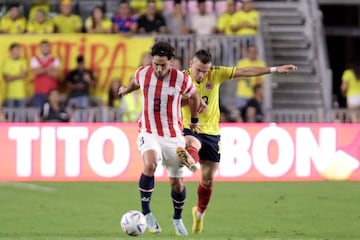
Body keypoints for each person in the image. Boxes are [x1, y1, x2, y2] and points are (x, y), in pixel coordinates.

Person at [181, 49, 297, 234]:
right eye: (198, 70)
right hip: (190, 127)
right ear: (190, 64)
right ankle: (189, 158)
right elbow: (171, 102)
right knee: (192, 143)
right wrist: (191, 100)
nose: (202, 74)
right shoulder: (180, 79)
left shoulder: (216, 73)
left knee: (208, 180)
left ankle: (200, 213)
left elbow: (244, 71)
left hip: (212, 132)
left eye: (205, 71)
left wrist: (274, 69)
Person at [118, 41, 202, 236]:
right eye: (155, 63)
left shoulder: (181, 79)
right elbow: (135, 82)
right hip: (149, 131)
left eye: (163, 65)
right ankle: (146, 213)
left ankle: (177, 218)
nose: (158, 68)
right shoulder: (143, 72)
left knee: (177, 183)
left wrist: (195, 120)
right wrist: (126, 90)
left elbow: (194, 97)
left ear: (171, 62)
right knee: (150, 164)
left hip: (173, 137)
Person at [30, 40, 60, 108]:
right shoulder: (34, 59)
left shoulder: (55, 59)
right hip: (39, 91)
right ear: (40, 48)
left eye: (46, 47)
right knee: (39, 114)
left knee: (52, 113)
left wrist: (42, 69)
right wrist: (48, 69)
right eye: (43, 47)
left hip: (52, 92)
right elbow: (36, 73)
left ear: (50, 48)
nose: (45, 48)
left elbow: (55, 75)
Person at [2, 43, 28, 108]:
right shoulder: (6, 62)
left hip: (21, 94)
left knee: (21, 115)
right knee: (10, 115)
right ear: (11, 50)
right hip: (10, 94)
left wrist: (12, 76)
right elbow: (6, 78)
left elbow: (24, 75)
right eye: (16, 49)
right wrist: (19, 75)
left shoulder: (23, 61)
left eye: (19, 49)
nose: (18, 51)